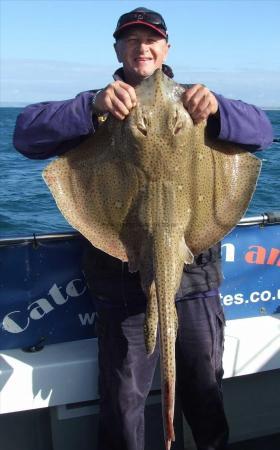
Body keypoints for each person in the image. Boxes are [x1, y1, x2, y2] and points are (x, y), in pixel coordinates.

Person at [13, 7, 273, 450]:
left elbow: (261, 133)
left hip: (193, 278)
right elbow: (26, 135)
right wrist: (89, 107)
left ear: (166, 48)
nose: (142, 47)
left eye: (150, 39)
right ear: (118, 49)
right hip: (120, 274)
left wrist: (219, 109)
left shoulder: (195, 102)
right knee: (123, 401)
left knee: (203, 391)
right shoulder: (98, 107)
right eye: (131, 40)